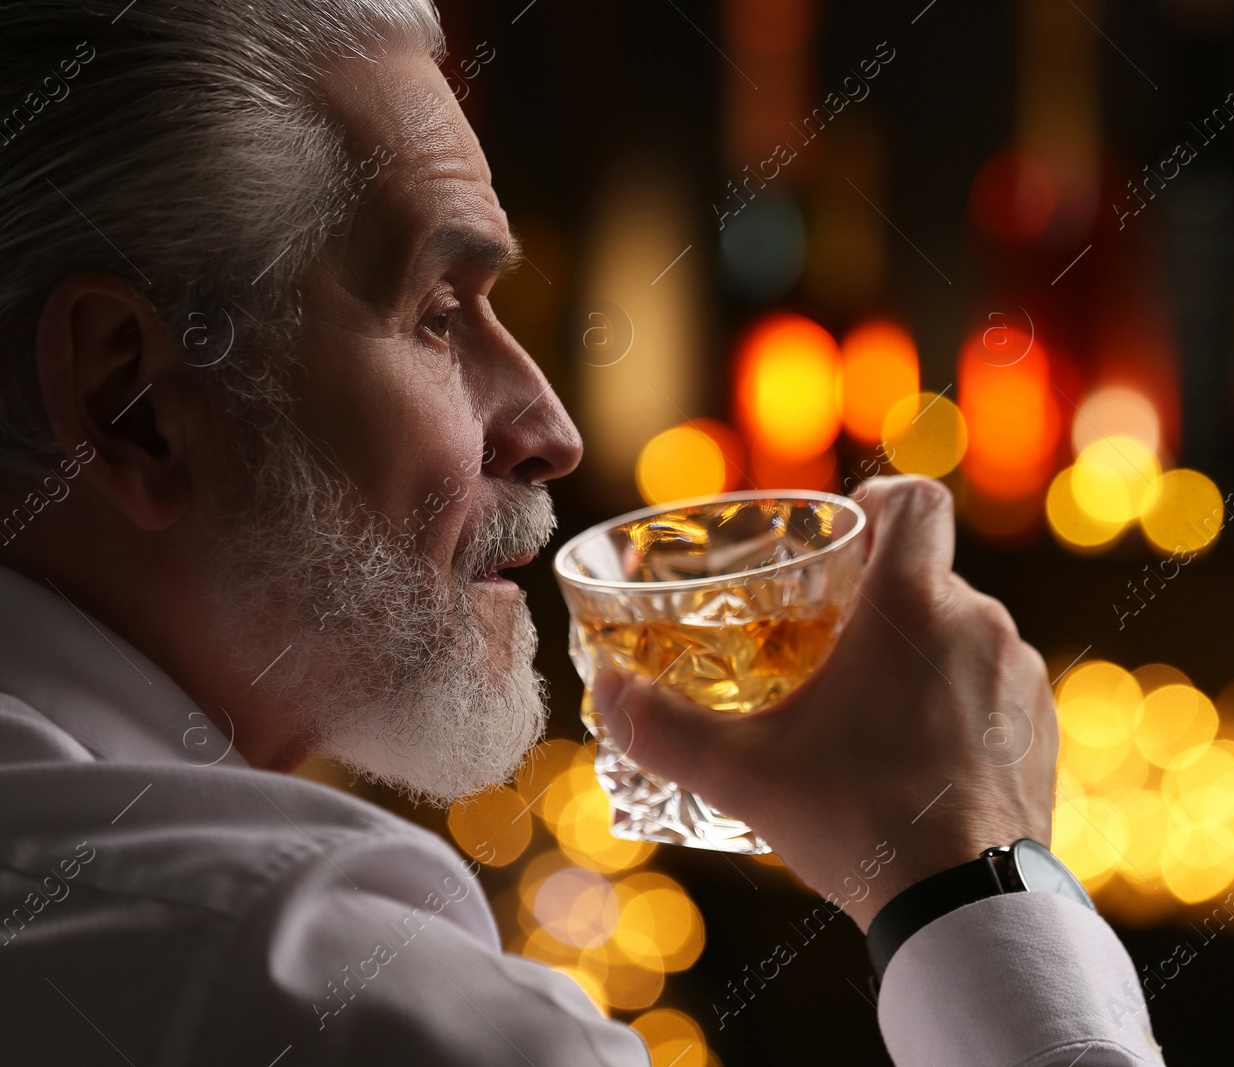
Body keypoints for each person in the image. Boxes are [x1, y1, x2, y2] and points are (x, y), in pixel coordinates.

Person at [0, 2, 1163, 1063]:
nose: (549, 428)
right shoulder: (326, 989)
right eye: (439, 314)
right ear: (134, 402)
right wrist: (973, 880)